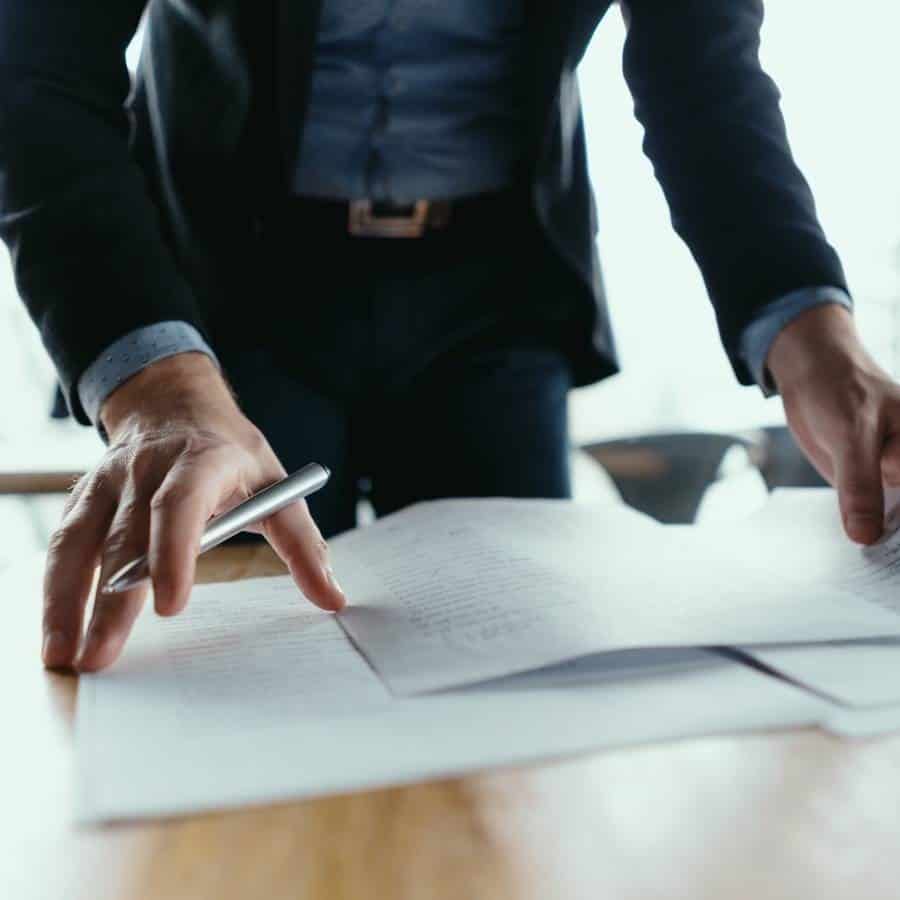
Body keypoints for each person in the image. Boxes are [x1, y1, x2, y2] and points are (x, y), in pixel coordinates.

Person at [1, 1, 897, 674]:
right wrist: (154, 386)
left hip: (496, 298)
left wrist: (809, 324)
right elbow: (36, 71)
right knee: (225, 662)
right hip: (223, 300)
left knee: (526, 683)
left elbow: (705, 75)